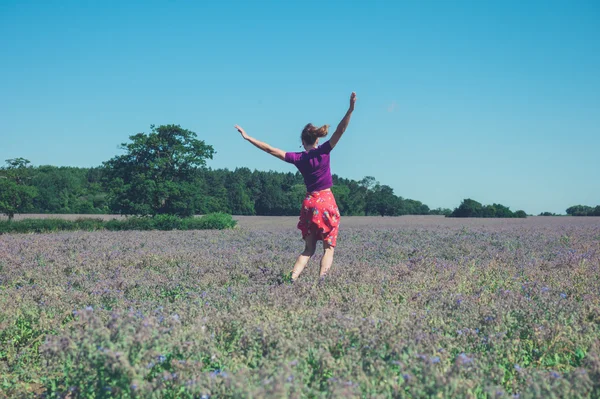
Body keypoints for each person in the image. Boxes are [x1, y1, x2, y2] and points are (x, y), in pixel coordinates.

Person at [234, 92, 357, 281]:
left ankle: (292, 279)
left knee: (308, 249)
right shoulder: (324, 151)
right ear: (317, 139)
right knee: (328, 248)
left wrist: (248, 137)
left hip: (309, 204)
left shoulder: (298, 158)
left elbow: (269, 149)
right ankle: (322, 282)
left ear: (302, 142)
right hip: (326, 203)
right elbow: (340, 131)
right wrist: (350, 109)